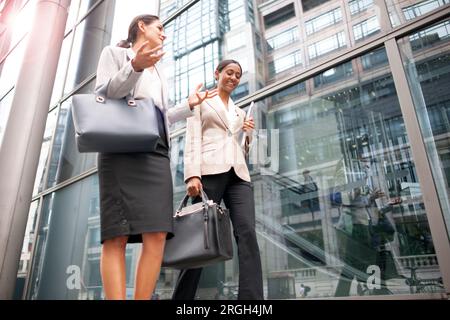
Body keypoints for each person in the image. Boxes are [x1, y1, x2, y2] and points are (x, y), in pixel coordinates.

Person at [95, 14, 217, 300]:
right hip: (120, 150)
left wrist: (187, 106)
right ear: (141, 26)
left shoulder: (160, 71)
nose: (164, 35)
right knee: (117, 234)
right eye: (159, 28)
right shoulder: (115, 54)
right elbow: (104, 93)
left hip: (157, 152)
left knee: (158, 234)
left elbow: (157, 115)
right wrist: (135, 66)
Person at [172, 60, 264, 300]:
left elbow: (242, 150)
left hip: (238, 175)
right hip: (209, 169)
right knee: (198, 236)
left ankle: (251, 300)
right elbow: (192, 136)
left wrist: (248, 134)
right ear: (218, 74)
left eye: (237, 75)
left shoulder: (239, 111)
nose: (233, 78)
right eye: (229, 73)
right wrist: (192, 173)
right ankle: (181, 299)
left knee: (247, 233)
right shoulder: (202, 100)